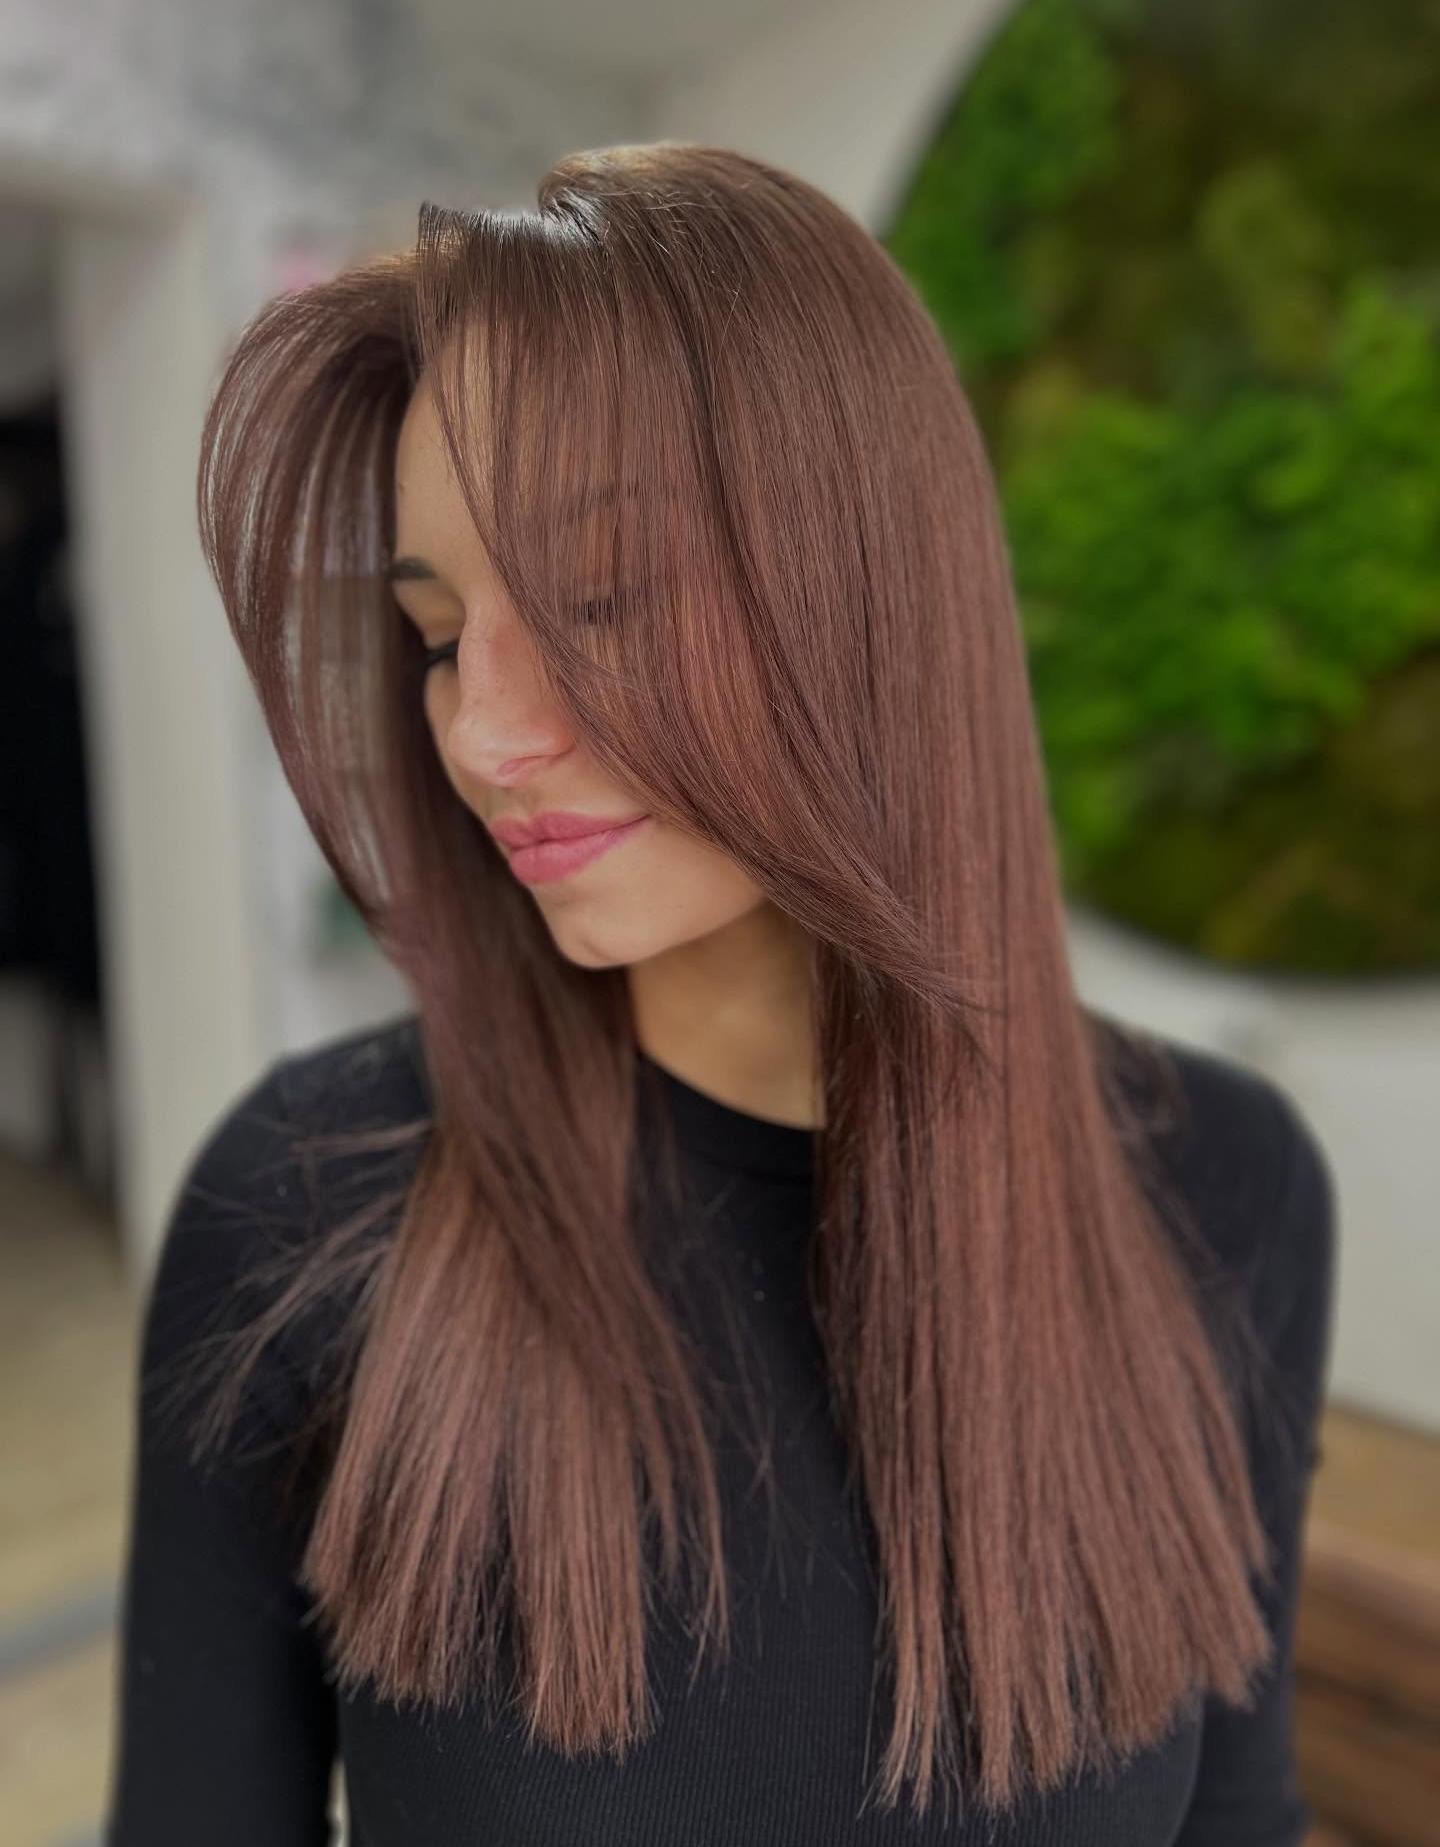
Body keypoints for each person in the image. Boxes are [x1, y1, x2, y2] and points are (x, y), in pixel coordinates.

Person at [105, 142, 1337, 1846]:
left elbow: (1236, 1816)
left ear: (878, 587)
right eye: (442, 636)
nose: (483, 733)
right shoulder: (307, 1208)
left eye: (602, 595)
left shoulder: (1226, 1186)